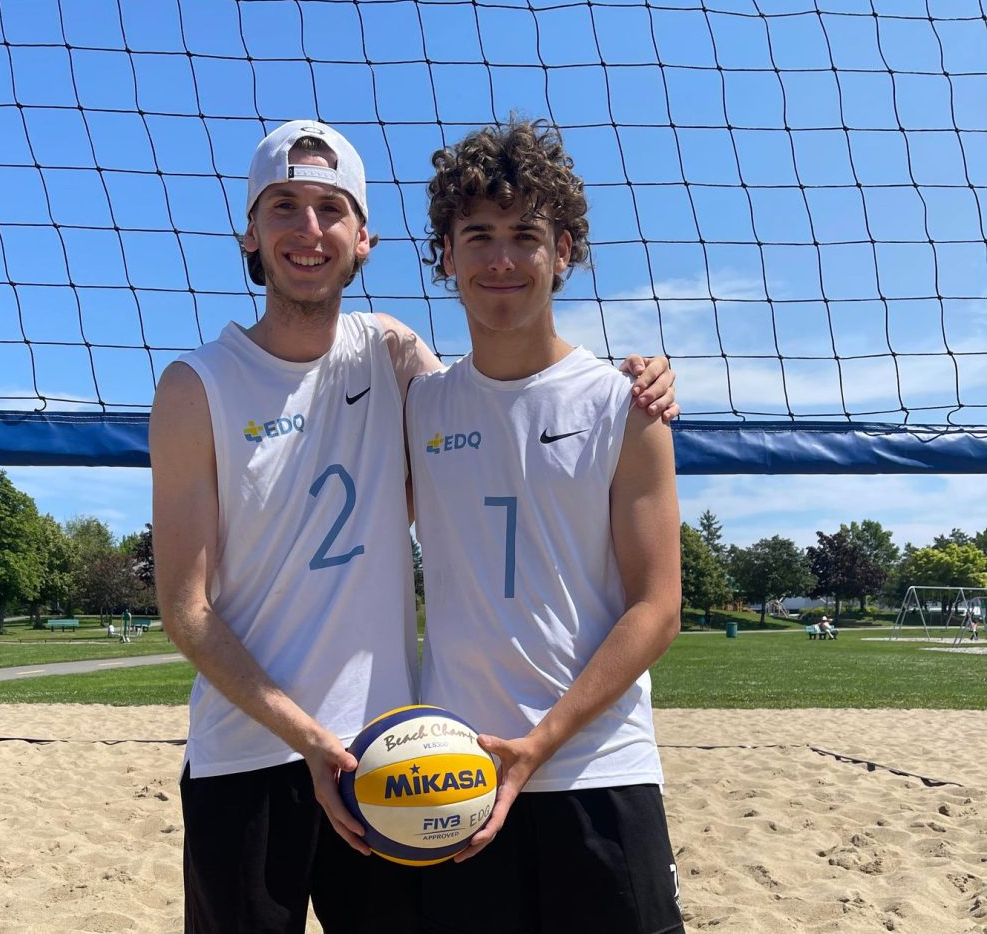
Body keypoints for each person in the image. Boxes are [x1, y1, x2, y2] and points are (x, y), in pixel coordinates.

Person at [149, 119, 679, 934]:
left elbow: (517, 401)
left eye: (331, 208)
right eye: (283, 207)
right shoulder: (202, 387)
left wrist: (641, 377)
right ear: (250, 231)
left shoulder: (395, 359)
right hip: (253, 752)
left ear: (365, 238)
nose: (308, 230)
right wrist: (309, 738)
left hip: (400, 760)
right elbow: (185, 608)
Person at [408, 118, 685, 934]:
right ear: (445, 255)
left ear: (562, 252)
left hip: (600, 770)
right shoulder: (415, 404)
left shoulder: (624, 405)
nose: (501, 259)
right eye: (478, 235)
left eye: (524, 235)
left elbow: (657, 608)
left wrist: (539, 744)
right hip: (453, 777)